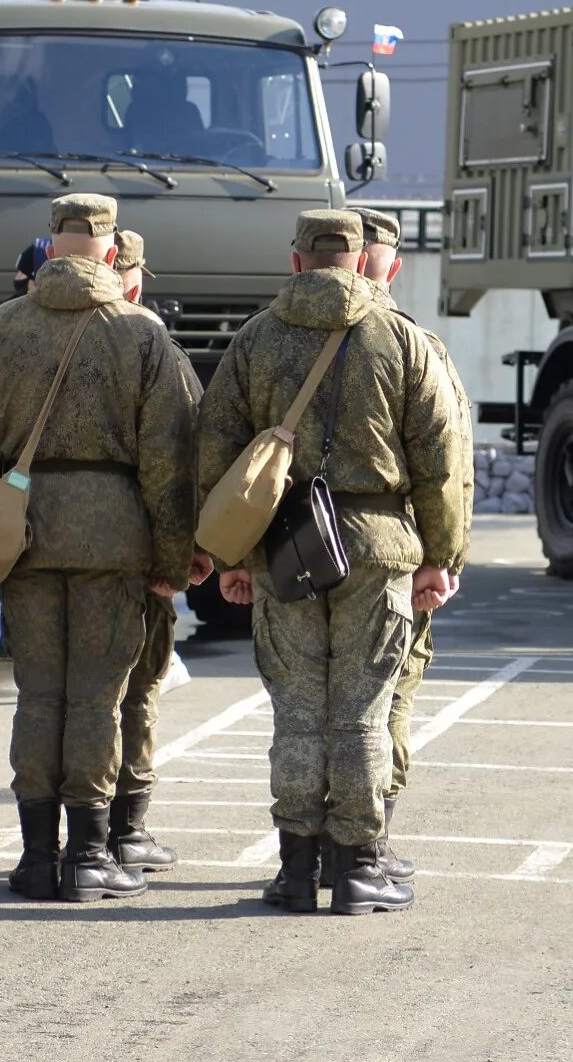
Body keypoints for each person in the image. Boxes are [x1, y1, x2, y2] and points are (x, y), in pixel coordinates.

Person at [197, 209, 466, 916]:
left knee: (296, 711)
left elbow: (216, 451)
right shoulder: (402, 340)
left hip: (284, 544)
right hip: (377, 546)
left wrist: (233, 555)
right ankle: (357, 869)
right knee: (362, 714)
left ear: (296, 263)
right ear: (362, 262)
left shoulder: (255, 340)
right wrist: (441, 556)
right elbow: (441, 460)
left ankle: (294, 870)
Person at [0, 193, 200, 904]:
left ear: (51, 245)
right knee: (96, 697)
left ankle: (34, 855)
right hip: (115, 534)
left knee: (38, 692)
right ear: (113, 249)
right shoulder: (140, 334)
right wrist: (172, 558)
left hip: (25, 529)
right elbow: (166, 460)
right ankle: (89, 854)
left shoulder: (1, 328)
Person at [356, 206, 472, 884]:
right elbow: (449, 467)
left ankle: (306, 852)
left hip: (301, 555)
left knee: (314, 705)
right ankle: (369, 845)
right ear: (393, 267)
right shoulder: (416, 345)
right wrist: (443, 557)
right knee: (390, 696)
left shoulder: (274, 337)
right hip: (395, 550)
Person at [109, 229, 196, 871]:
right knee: (138, 689)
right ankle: (125, 829)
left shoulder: (26, 332)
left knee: (63, 693)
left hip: (51, 546)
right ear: (134, 281)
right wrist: (180, 560)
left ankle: (55, 836)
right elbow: (184, 462)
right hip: (137, 553)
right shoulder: (159, 349)